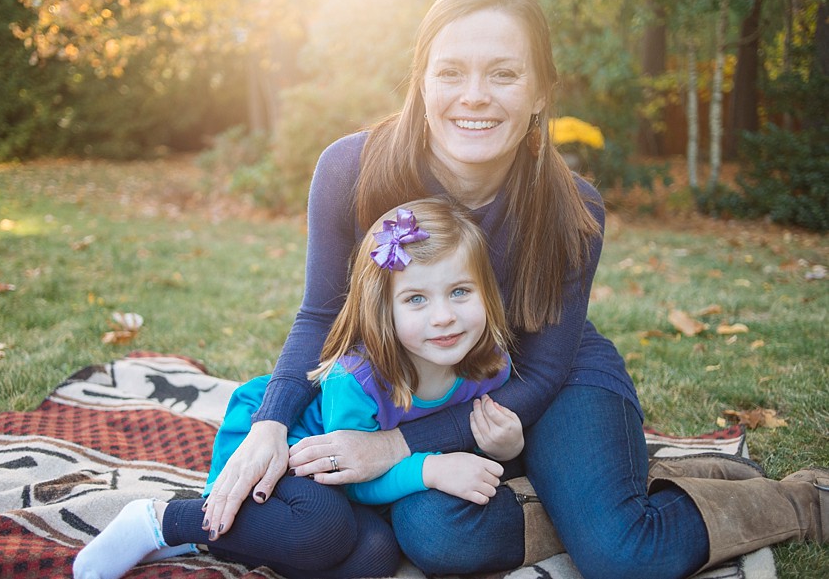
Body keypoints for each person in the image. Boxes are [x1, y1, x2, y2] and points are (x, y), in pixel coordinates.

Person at [203, 0, 828, 579]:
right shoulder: (350, 169)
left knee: (622, 556)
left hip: (542, 381)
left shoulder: (572, 207)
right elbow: (321, 316)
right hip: (426, 389)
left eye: (503, 73)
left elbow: (546, 371)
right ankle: (586, 498)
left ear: (539, 92)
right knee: (436, 534)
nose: (474, 95)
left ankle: (796, 502)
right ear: (421, 81)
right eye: (451, 71)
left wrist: (397, 448)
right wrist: (271, 423)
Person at [73, 198, 532, 579]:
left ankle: (234, 542)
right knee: (324, 528)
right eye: (416, 299)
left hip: (339, 489)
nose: (444, 317)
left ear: (487, 294)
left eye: (460, 292)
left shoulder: (490, 365)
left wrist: (507, 445)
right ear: (383, 311)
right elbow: (350, 476)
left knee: (374, 558)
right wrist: (428, 471)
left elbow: (470, 446)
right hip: (286, 461)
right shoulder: (358, 380)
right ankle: (166, 522)